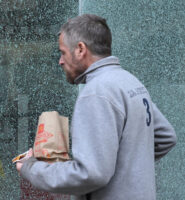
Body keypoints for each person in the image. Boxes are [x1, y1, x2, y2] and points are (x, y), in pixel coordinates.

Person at [16, 14, 177, 200]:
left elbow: (90, 174)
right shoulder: (130, 82)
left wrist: (31, 167)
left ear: (80, 49)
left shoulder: (96, 93)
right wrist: (125, 168)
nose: (60, 61)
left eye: (63, 52)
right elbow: (166, 137)